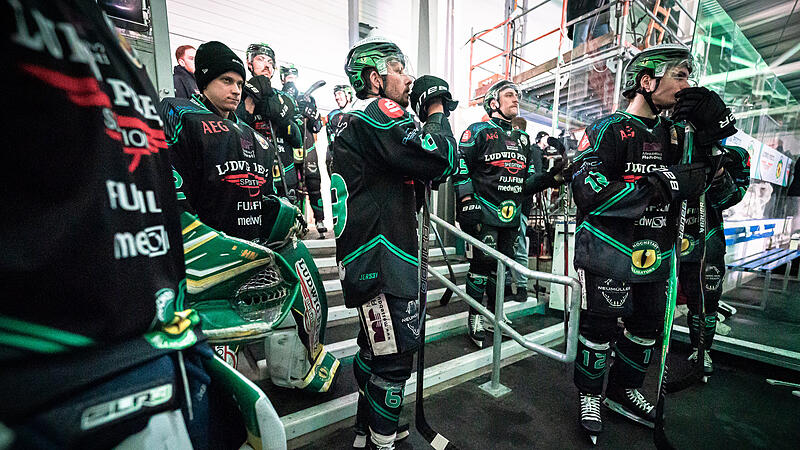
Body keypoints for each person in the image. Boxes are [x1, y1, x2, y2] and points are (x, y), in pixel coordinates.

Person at [3, 4, 285, 448]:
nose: (235, 90)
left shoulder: (112, 48)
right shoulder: (179, 113)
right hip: (62, 367)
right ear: (204, 78)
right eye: (226, 80)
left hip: (160, 337)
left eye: (239, 82)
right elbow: (171, 192)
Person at [570, 43, 736, 440]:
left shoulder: (677, 133)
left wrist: (716, 131)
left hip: (658, 252)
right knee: (600, 326)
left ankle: (622, 389)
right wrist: (657, 185)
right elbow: (588, 190)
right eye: (679, 76)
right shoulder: (606, 128)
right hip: (609, 251)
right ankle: (589, 394)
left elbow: (711, 182)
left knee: (647, 326)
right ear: (646, 80)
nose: (686, 85)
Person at [330, 36, 457, 450]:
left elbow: (424, 173)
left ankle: (367, 429)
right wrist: (436, 109)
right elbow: (441, 158)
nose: (407, 78)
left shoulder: (352, 120)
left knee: (373, 347)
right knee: (393, 356)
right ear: (374, 78)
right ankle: (382, 442)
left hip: (368, 251)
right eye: (399, 69)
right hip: (384, 254)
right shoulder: (374, 110)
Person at [454, 80, 565, 348]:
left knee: (501, 269)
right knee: (481, 266)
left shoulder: (523, 139)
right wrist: (467, 201)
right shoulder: (477, 131)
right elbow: (460, 165)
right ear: (494, 102)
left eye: (517, 95)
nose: (516, 99)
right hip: (484, 212)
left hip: (512, 216)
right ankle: (475, 317)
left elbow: (526, 182)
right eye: (509, 95)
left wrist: (550, 178)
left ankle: (494, 315)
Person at [677, 133, 750, 380]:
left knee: (705, 302)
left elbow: (730, 197)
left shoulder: (728, 155)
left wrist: (717, 170)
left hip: (705, 239)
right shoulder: (663, 140)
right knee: (646, 298)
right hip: (660, 236)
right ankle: (631, 348)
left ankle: (701, 351)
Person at [237, 43, 304, 203]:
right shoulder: (237, 92)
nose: (267, 65)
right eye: (261, 59)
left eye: (270, 62)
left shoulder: (285, 98)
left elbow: (298, 140)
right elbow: (231, 132)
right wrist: (250, 101)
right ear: (249, 63)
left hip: (285, 174)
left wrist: (282, 120)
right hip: (252, 174)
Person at [280, 64, 328, 236]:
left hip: (307, 144)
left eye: (294, 77)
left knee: (314, 182)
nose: (291, 80)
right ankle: (296, 222)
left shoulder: (308, 98)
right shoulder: (279, 96)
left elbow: (317, 126)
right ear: (282, 79)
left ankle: (320, 219)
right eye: (288, 77)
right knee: (292, 184)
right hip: (289, 144)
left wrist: (308, 111)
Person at [326, 84, 355, 171]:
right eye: (335, 95)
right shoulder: (332, 115)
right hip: (338, 159)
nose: (337, 97)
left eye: (339, 94)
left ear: (348, 95)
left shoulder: (359, 113)